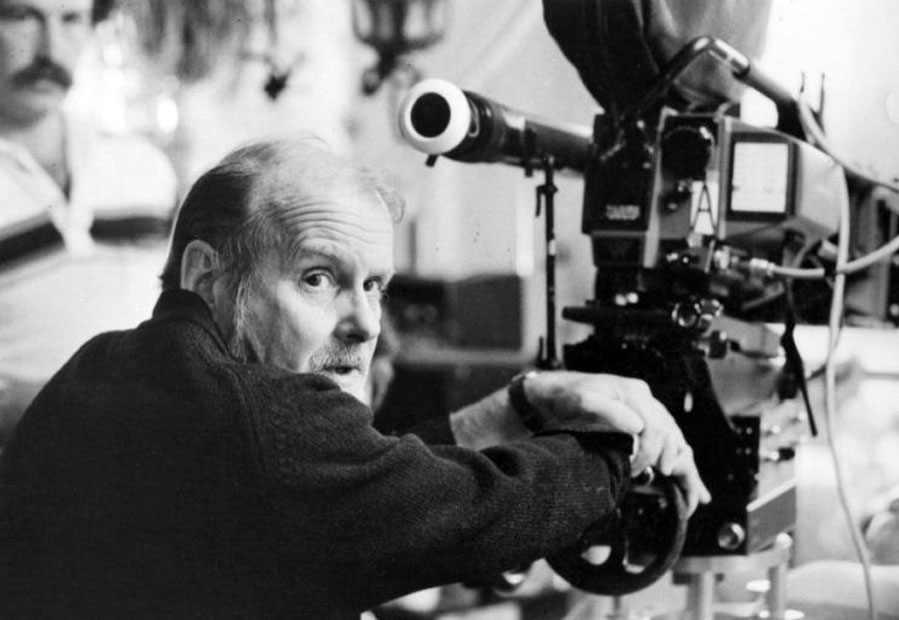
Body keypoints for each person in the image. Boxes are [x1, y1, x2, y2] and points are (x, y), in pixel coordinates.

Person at [0, 136, 709, 619]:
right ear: (207, 275)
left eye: (374, 286)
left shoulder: (113, 365)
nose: (365, 324)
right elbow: (464, 512)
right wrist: (621, 450)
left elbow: (354, 487)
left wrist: (515, 407)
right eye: (318, 278)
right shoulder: (248, 412)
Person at [0, 0, 179, 440]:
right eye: (22, 17)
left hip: (157, 457)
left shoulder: (143, 165)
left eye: (71, 19)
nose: (51, 49)